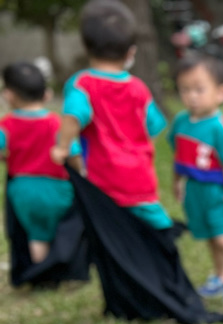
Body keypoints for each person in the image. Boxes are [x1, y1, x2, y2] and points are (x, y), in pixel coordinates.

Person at [51, 0, 172, 231]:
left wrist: (63, 147)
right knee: (153, 231)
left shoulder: (82, 84)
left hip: (102, 183)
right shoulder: (138, 88)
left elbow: (73, 116)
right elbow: (154, 127)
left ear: (85, 46)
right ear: (131, 52)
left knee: (99, 234)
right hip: (140, 181)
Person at [167, 53, 223, 305]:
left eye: (199, 89)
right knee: (209, 237)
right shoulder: (181, 121)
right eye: (185, 89)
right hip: (195, 190)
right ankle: (221, 276)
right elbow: (179, 155)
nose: (192, 96)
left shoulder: (220, 127)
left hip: (217, 192)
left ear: (221, 92)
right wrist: (177, 181)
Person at [0, 61, 82, 264]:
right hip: (59, 189)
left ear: (9, 95)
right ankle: (64, 266)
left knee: (37, 235)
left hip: (23, 190)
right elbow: (73, 153)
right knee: (63, 229)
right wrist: (80, 173)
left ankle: (40, 269)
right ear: (47, 94)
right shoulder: (57, 124)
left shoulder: (6, 125)